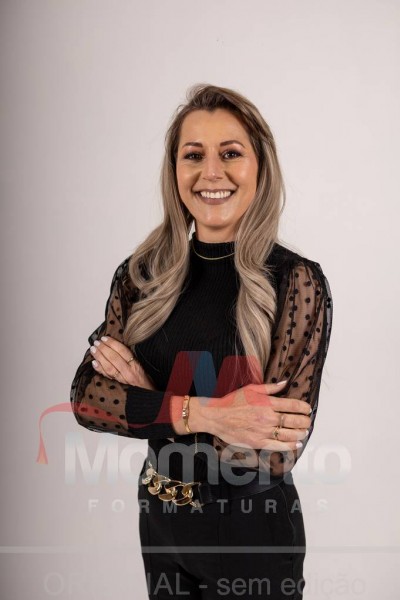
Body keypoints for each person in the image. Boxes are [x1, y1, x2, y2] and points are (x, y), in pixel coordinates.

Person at [70, 83, 333, 599]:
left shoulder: (295, 282)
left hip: (251, 530)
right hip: (160, 521)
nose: (211, 172)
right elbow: (87, 400)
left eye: (230, 153)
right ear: (174, 171)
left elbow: (268, 454)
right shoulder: (141, 275)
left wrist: (148, 396)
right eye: (193, 155)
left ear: (260, 167)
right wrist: (213, 414)